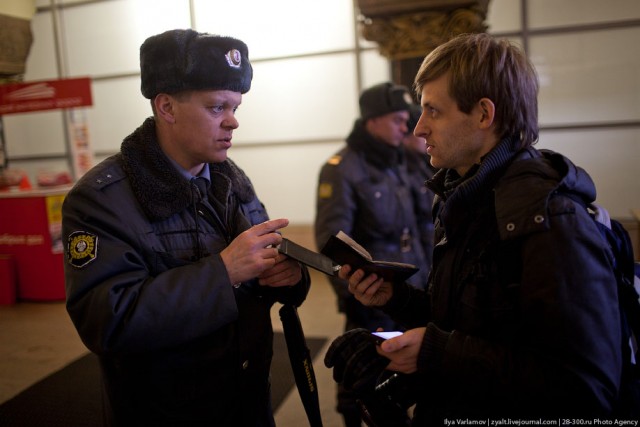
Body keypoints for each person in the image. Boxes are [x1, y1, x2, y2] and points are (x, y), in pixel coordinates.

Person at [325, 33, 622, 424]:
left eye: (434, 111)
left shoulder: (550, 221)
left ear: (484, 114)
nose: (418, 128)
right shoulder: (465, 198)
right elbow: (466, 321)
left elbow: (585, 389)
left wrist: (435, 352)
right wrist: (395, 299)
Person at [62, 29, 310, 427]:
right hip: (166, 412)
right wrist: (223, 271)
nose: (233, 122)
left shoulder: (232, 180)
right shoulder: (100, 200)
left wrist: (285, 276)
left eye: (235, 106)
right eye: (216, 107)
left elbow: (260, 266)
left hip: (247, 400)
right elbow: (107, 321)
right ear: (166, 107)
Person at [314, 82, 433, 426]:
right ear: (372, 120)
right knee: (364, 380)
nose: (404, 127)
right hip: (373, 297)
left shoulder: (402, 161)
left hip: (414, 292)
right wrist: (352, 294)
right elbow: (332, 240)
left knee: (407, 374)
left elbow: (422, 226)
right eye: (397, 120)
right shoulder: (342, 167)